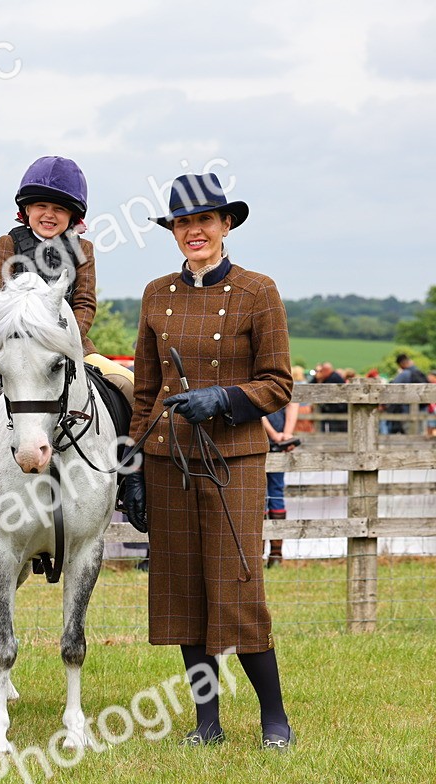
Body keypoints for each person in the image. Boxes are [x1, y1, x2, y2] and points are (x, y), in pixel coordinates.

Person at [124, 173, 295, 749]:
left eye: (204, 221)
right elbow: (145, 391)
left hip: (235, 457)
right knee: (182, 590)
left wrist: (223, 399)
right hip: (168, 457)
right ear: (173, 231)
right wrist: (135, 464)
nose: (193, 231)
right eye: (182, 223)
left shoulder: (257, 291)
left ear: (225, 225)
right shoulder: (155, 294)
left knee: (237, 585)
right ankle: (207, 722)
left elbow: (278, 384)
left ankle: (274, 718)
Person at [0, 156, 133, 503]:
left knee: (128, 385)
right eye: (41, 206)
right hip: (15, 347)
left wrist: (64, 340)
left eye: (58, 208)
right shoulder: (9, 243)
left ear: (73, 216)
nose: (49, 214)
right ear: (26, 209)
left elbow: (85, 301)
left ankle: (131, 475)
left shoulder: (83, 249)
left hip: (71, 347)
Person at [262, 400, 299, 567]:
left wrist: (286, 435)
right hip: (261, 439)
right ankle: (262, 553)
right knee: (261, 494)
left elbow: (293, 401)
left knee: (273, 493)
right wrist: (277, 435)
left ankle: (273, 554)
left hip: (278, 443)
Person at [383, 354, 427, 434]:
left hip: (407, 411)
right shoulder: (419, 372)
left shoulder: (404, 374)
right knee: (420, 434)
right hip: (422, 410)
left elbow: (391, 389)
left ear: (401, 364)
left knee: (409, 435)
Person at [314, 362, 347, 433]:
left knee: (336, 430)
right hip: (335, 409)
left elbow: (320, 390)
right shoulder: (332, 377)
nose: (321, 373)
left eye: (322, 371)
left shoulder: (333, 378)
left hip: (337, 409)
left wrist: (318, 379)